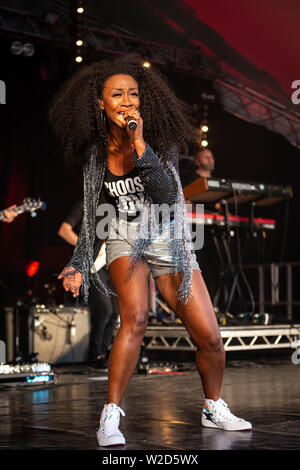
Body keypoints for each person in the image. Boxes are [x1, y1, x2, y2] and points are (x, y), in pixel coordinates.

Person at [49, 55, 252, 447]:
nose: (127, 101)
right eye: (117, 95)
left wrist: (138, 142)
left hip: (169, 234)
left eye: (133, 94)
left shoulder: (160, 138)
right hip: (124, 235)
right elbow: (93, 217)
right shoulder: (95, 154)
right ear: (101, 103)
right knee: (136, 319)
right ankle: (110, 414)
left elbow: (164, 194)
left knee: (210, 338)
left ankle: (213, 406)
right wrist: (77, 262)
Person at [58, 200, 119, 369]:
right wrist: (88, 249)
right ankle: (94, 355)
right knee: (104, 309)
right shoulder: (83, 205)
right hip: (92, 265)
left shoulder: (112, 207)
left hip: (108, 264)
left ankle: (103, 354)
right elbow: (64, 230)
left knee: (115, 312)